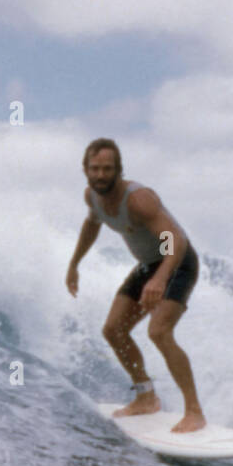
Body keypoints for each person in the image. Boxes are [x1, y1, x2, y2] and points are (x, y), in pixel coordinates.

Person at [65, 138, 206, 433]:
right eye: (95, 169)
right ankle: (146, 397)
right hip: (148, 266)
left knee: (159, 331)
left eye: (107, 169)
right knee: (113, 330)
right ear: (85, 169)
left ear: (119, 170)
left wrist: (160, 278)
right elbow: (92, 224)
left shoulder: (139, 200)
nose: (101, 175)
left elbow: (175, 239)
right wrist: (74, 263)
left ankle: (194, 411)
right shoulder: (91, 196)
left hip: (177, 263)